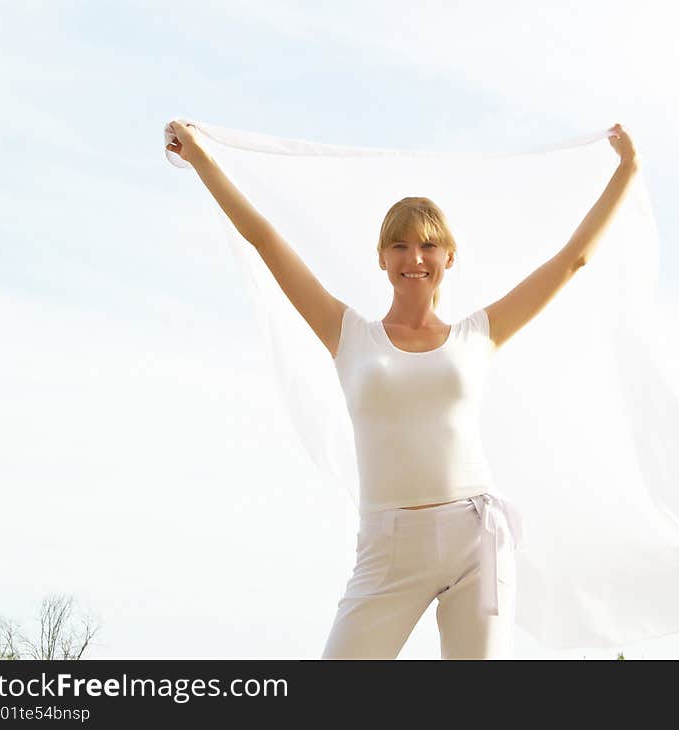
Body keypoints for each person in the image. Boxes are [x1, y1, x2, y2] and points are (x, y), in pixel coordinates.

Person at [166, 120, 638, 658]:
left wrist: (626, 171)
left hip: (476, 538)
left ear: (449, 259)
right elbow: (266, 240)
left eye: (429, 246)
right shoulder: (349, 335)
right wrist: (202, 160)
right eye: (400, 245)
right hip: (387, 547)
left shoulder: (478, 334)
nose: (415, 257)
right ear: (382, 259)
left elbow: (571, 259)